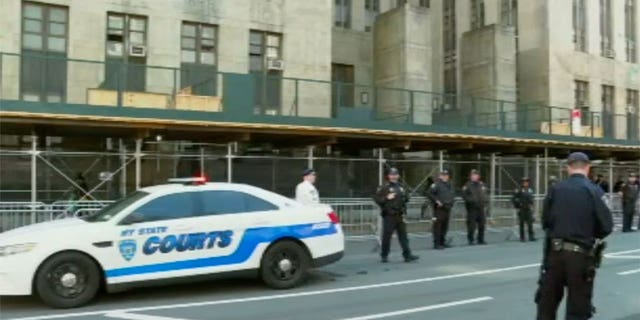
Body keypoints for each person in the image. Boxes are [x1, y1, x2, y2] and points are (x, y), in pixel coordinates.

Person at [536, 152, 613, 320]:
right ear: (588, 167)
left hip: (554, 253)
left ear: (568, 167)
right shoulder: (594, 190)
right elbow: (606, 226)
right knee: (578, 308)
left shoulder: (555, 189)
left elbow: (545, 222)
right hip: (580, 254)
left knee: (547, 306)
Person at [374, 167, 419, 263]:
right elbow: (377, 200)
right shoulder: (384, 187)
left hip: (400, 215)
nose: (394, 176)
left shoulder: (401, 186)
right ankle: (384, 255)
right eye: (392, 174)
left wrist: (407, 197)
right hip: (389, 215)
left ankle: (407, 255)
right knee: (387, 236)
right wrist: (387, 197)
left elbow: (405, 199)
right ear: (388, 176)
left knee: (403, 236)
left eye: (395, 174)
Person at [427, 169, 455, 250]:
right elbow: (429, 193)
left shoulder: (450, 184)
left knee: (445, 227)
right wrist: (436, 201)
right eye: (443, 175)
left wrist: (452, 201)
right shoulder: (436, 184)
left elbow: (452, 194)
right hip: (439, 209)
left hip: (447, 208)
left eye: (446, 175)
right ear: (440, 176)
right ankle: (437, 243)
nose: (445, 177)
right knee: (437, 227)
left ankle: (442, 242)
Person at [462, 169, 489, 245]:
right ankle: (471, 240)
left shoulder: (481, 184)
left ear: (478, 176)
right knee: (471, 226)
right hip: (472, 208)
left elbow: (485, 194)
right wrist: (472, 201)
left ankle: (481, 239)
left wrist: (486, 201)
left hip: (481, 208)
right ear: (470, 176)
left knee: (482, 224)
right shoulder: (467, 185)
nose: (474, 176)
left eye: (476, 175)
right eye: (473, 175)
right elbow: (464, 196)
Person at [512, 177, 536, 242]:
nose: (526, 183)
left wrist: (532, 206)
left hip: (528, 209)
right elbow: (513, 199)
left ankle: (531, 236)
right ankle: (522, 237)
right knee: (521, 224)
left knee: (530, 224)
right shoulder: (518, 189)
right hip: (522, 209)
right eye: (524, 182)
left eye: (527, 182)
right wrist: (517, 206)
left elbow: (532, 199)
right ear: (522, 183)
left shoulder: (530, 190)